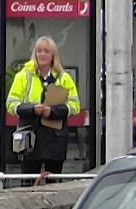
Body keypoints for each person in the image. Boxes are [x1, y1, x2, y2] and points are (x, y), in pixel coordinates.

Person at [6, 35, 82, 183]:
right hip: (30, 137)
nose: (42, 54)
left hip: (54, 138)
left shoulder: (63, 78)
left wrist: (52, 112)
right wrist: (32, 109)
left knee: (53, 182)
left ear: (53, 55)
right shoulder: (23, 76)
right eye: (39, 51)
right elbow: (11, 104)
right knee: (28, 183)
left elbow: (75, 106)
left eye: (46, 51)